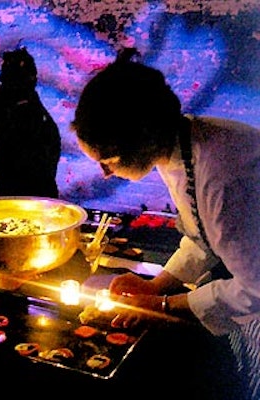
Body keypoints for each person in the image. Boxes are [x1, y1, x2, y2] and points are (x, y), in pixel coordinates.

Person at [71, 47, 260, 399]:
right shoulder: (181, 147)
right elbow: (202, 235)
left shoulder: (221, 174)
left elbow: (255, 287)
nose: (105, 172)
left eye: (107, 160)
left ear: (141, 138)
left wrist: (161, 307)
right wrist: (157, 286)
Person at [0, 46, 61, 198]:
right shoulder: (28, 110)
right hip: (22, 193)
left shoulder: (26, 112)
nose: (1, 79)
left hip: (28, 193)